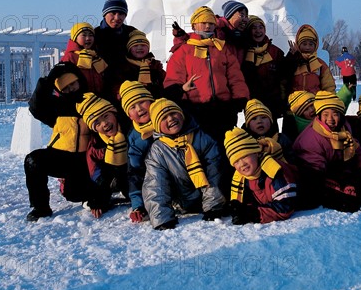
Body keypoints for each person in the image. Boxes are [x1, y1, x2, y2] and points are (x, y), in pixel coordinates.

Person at [163, 6, 249, 148]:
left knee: (225, 149)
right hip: (195, 111)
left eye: (211, 23)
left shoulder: (222, 49)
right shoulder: (184, 50)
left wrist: (238, 99)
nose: (208, 26)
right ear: (194, 25)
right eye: (204, 22)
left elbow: (235, 77)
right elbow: (173, 79)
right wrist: (183, 102)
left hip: (223, 111)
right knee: (201, 150)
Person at [293, 90, 361, 213]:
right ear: (319, 116)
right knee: (343, 193)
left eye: (335, 114)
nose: (330, 119)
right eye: (326, 114)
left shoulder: (344, 128)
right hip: (314, 173)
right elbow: (315, 171)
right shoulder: (311, 138)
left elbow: (357, 150)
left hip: (337, 166)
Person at [24, 62, 94, 221]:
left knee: (74, 194)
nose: (71, 89)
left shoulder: (91, 102)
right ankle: (40, 207)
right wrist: (49, 80)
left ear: (80, 81)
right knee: (33, 160)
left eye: (73, 83)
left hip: (82, 160)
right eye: (65, 87)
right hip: (59, 156)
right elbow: (35, 107)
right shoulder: (56, 107)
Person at [143, 98, 226, 230]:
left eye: (173, 113)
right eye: (164, 117)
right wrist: (162, 218)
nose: (170, 119)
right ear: (158, 125)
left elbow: (214, 172)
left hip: (209, 199)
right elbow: (156, 184)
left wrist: (213, 207)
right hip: (181, 204)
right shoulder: (158, 150)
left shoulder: (201, 138)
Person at [224, 127, 298, 225]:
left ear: (257, 153)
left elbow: (285, 207)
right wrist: (240, 209)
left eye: (245, 156)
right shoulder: (243, 178)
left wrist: (254, 213)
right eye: (236, 161)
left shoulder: (274, 170)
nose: (242, 164)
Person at [76, 92, 130, 218]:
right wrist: (98, 200)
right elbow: (98, 174)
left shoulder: (129, 130)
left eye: (106, 116)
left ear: (114, 114)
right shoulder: (96, 145)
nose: (104, 123)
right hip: (111, 177)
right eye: (98, 123)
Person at [119, 80, 156, 223]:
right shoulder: (134, 137)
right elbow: (134, 172)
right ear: (129, 115)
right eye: (133, 107)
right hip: (153, 180)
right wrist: (137, 205)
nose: (139, 108)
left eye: (142, 102)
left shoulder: (167, 119)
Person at [241, 15, 288, 119]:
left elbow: (285, 74)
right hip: (251, 104)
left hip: (273, 103)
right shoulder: (242, 52)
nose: (258, 31)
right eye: (254, 28)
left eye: (260, 27)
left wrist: (292, 57)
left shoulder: (275, 52)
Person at [93, 0, 137, 102]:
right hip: (101, 90)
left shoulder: (131, 33)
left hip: (130, 88)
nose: (117, 18)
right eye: (113, 13)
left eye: (121, 13)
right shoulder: (94, 35)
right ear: (105, 14)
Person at [286, 24, 335, 95]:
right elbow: (283, 78)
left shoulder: (320, 64)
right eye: (304, 44)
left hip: (315, 103)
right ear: (299, 45)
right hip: (295, 103)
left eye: (311, 44)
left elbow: (329, 86)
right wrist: (291, 56)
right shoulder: (293, 60)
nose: (307, 47)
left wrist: (329, 102)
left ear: (315, 46)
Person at [243, 98, 295, 164]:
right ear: (248, 125)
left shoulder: (281, 138)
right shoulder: (246, 142)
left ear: (271, 121)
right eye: (254, 119)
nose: (259, 121)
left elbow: (291, 159)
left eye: (263, 117)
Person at [60, 22, 106, 95]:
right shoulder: (70, 57)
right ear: (75, 38)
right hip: (79, 101)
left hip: (98, 99)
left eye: (91, 35)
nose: (88, 38)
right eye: (84, 35)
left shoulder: (95, 56)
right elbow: (62, 83)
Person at [122, 30, 166, 99]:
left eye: (143, 45)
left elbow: (165, 80)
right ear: (129, 49)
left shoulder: (155, 65)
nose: (139, 48)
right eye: (135, 46)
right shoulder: (124, 66)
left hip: (156, 98)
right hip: (133, 99)